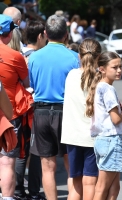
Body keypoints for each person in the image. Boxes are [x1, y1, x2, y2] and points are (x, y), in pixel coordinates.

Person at [28, 14, 80, 200]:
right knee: (71, 165)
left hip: (41, 112)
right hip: (67, 113)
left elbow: (32, 85)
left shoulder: (34, 58)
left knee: (47, 167)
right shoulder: (75, 57)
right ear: (66, 35)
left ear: (45, 33)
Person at [61, 38, 102, 200]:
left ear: (79, 55)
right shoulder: (101, 79)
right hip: (93, 138)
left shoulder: (71, 75)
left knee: (75, 181)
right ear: (99, 57)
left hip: (72, 137)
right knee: (90, 183)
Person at [85, 51, 122, 200]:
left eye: (120, 67)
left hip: (104, 140)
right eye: (114, 67)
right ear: (102, 69)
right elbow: (116, 119)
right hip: (112, 139)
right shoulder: (108, 89)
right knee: (102, 188)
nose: (119, 70)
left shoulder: (100, 86)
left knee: (114, 188)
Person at [13, 20, 47, 200]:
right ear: (41, 36)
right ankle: (33, 192)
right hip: (33, 110)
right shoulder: (37, 57)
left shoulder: (20, 55)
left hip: (18, 109)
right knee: (34, 152)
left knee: (20, 151)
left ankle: (17, 190)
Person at [0, 14, 30, 200]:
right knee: (7, 162)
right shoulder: (15, 56)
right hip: (9, 115)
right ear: (9, 33)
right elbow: (27, 83)